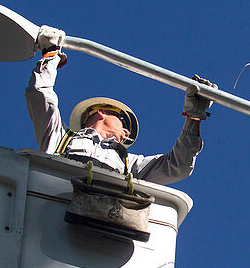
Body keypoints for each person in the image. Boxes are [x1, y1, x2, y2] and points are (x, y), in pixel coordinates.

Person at [25, 25, 215, 185]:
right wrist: (50, 56)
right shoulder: (59, 139)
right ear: (101, 112)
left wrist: (194, 117)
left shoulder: (129, 164)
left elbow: (178, 166)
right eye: (123, 122)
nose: (126, 132)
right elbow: (40, 94)